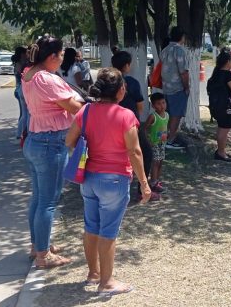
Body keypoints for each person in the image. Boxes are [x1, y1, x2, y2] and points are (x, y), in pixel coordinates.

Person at [65, 67, 151, 294]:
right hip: (115, 179)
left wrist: (86, 152)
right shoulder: (126, 116)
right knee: (108, 231)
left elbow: (69, 141)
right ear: (121, 90)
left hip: (89, 178)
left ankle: (93, 274)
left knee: (91, 226)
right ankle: (107, 282)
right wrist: (144, 182)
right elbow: (135, 151)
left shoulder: (85, 112)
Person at [22, 36, 83, 269]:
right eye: (60, 56)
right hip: (51, 142)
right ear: (51, 57)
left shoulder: (29, 73)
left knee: (38, 199)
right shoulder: (47, 79)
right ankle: (43, 255)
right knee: (48, 202)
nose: (61, 60)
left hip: (36, 139)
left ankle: (38, 244)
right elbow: (75, 108)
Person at [112, 50, 159, 201]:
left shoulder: (107, 80)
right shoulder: (130, 82)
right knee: (145, 154)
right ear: (126, 65)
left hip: (110, 123)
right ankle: (142, 189)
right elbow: (140, 105)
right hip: (129, 125)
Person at [207, 51, 231, 162]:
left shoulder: (215, 74)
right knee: (224, 130)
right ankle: (221, 153)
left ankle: (221, 150)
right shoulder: (228, 75)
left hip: (216, 106)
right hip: (226, 107)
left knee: (221, 128)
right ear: (228, 61)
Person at [159, 26, 189, 150]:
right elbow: (183, 72)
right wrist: (186, 87)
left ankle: (163, 139)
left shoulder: (165, 50)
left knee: (167, 115)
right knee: (175, 116)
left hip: (166, 87)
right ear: (182, 37)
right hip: (177, 88)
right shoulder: (179, 50)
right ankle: (170, 141)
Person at [144, 93, 168, 194]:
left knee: (161, 161)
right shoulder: (153, 116)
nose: (162, 106)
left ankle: (157, 181)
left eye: (163, 103)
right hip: (154, 143)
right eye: (158, 104)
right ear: (153, 106)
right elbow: (144, 128)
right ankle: (153, 183)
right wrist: (148, 140)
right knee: (155, 162)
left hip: (162, 143)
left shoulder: (167, 115)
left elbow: (165, 127)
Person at [12, 46, 30, 139]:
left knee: (23, 114)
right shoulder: (21, 64)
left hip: (19, 89)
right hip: (21, 89)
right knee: (25, 114)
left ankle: (20, 133)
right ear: (22, 54)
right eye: (25, 53)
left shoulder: (18, 63)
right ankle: (21, 133)